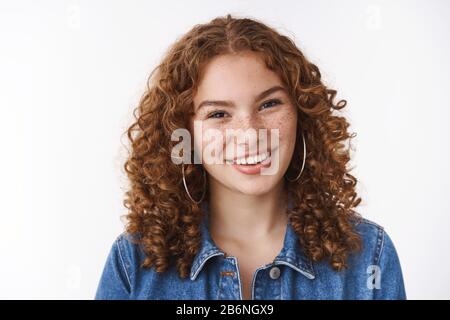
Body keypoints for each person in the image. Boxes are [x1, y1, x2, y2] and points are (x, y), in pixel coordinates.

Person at [95, 14, 406, 300]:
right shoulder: (133, 262)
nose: (250, 133)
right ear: (184, 134)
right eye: (218, 113)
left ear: (302, 114)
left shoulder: (368, 255)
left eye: (269, 104)